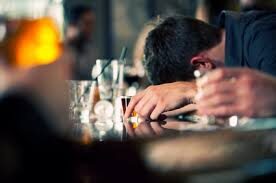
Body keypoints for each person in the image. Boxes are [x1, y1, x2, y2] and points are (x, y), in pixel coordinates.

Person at [125, 11, 276, 123]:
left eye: (191, 82)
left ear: (202, 64)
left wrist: (193, 91)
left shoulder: (265, 40)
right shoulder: (229, 34)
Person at [66, 5, 97, 80]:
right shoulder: (62, 52)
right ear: (74, 24)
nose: (91, 27)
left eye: (92, 23)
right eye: (87, 23)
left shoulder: (90, 47)